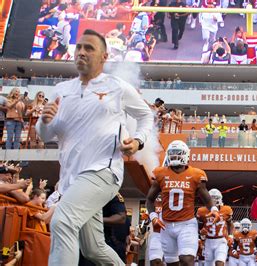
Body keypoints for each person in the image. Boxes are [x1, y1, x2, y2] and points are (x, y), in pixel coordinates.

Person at [36, 29, 154, 265]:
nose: (81, 52)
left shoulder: (117, 87)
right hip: (71, 179)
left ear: (104, 57)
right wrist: (44, 122)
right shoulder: (61, 90)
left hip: (103, 171)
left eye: (89, 48)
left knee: (63, 220)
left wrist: (138, 141)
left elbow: (146, 116)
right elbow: (46, 135)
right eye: (79, 47)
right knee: (94, 249)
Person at [145, 140, 219, 266]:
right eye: (172, 153)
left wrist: (214, 209)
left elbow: (205, 196)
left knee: (187, 260)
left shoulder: (196, 174)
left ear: (186, 155)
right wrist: (153, 217)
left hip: (187, 224)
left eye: (178, 153)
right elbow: (149, 199)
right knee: (171, 262)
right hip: (166, 225)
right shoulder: (160, 173)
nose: (175, 156)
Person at [196, 189, 233, 266]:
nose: (214, 200)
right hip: (208, 241)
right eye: (212, 198)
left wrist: (230, 235)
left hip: (221, 240)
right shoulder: (201, 211)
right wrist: (200, 232)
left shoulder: (226, 210)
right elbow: (198, 226)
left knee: (219, 262)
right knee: (208, 264)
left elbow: (230, 223)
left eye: (216, 198)